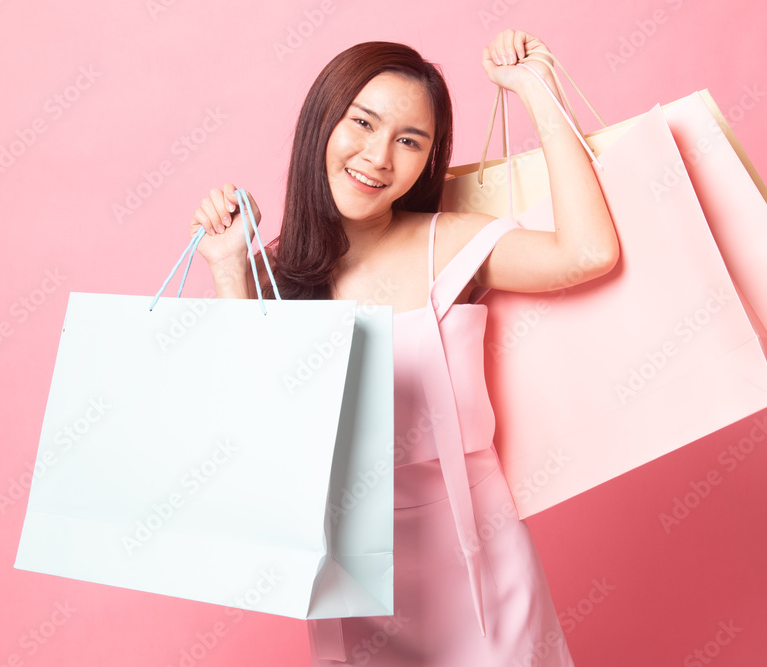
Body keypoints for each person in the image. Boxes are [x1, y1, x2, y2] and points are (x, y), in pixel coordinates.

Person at [189, 29, 618, 666]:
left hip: (478, 554)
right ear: (321, 125)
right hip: (350, 570)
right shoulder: (275, 277)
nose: (379, 157)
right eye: (362, 124)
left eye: (409, 141)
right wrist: (230, 271)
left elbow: (588, 253)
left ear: (428, 160)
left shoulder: (447, 241)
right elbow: (262, 442)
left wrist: (535, 89)